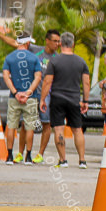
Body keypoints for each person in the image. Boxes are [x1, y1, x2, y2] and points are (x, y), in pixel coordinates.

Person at [39, 32, 90, 169]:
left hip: (57, 99)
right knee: (77, 130)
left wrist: (43, 99)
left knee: (59, 129)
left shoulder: (54, 61)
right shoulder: (81, 61)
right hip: (74, 99)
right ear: (73, 44)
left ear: (60, 43)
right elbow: (86, 83)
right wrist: (85, 100)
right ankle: (82, 160)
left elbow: (47, 82)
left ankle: (63, 160)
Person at [1, 31, 43, 164]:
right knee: (29, 126)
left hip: (14, 97)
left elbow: (6, 76)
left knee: (11, 125)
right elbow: (38, 77)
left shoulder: (10, 58)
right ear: (27, 43)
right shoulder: (34, 58)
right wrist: (28, 92)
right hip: (30, 98)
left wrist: (15, 92)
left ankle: (9, 155)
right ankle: (28, 156)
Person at [32, 29, 61, 163]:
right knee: (28, 124)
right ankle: (26, 153)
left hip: (48, 96)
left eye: (58, 41)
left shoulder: (58, 59)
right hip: (33, 92)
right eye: (54, 41)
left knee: (46, 125)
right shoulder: (36, 51)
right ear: (47, 41)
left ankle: (40, 154)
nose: (57, 44)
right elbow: (16, 44)